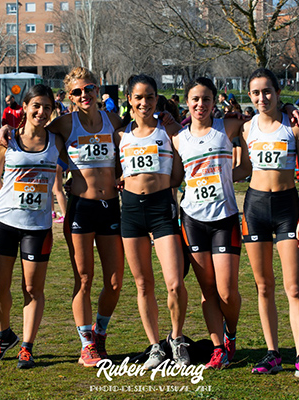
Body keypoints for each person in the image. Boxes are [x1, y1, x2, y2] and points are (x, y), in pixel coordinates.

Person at [242, 68, 299, 381]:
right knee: (263, 286)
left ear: (277, 92)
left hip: (288, 208)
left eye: (268, 92)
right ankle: (272, 353)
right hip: (255, 207)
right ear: (250, 96)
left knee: (293, 287)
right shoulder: (246, 127)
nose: (263, 98)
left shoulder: (294, 126)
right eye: (256, 93)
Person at [173, 77, 251, 370]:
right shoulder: (178, 138)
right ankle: (218, 347)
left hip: (225, 218)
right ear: (187, 102)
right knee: (207, 290)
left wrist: (228, 179)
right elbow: (176, 179)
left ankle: (231, 333)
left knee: (227, 290)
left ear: (214, 102)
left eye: (206, 99)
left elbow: (247, 160)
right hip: (193, 219)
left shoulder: (227, 127)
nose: (200, 105)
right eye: (195, 99)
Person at [48, 67, 124, 367]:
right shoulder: (64, 124)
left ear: (97, 88)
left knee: (115, 280)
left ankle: (100, 333)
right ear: (70, 97)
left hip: (111, 207)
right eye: (77, 92)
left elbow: (133, 143)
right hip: (81, 208)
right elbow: (34, 132)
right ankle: (86, 344)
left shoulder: (113, 120)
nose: (84, 95)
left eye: (89, 88)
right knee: (83, 278)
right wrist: (5, 131)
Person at [0, 84, 62, 370]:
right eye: (36, 106)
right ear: (26, 107)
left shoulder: (57, 140)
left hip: (37, 228)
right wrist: (9, 205)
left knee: (32, 288)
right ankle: (4, 335)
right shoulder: (7, 139)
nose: (41, 112)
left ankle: (27, 346)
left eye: (47, 107)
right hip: (3, 222)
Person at [115, 74, 189, 370]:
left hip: (161, 209)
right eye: (139, 97)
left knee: (174, 283)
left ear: (157, 99)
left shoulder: (169, 129)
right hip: (131, 211)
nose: (144, 102)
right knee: (143, 284)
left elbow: (181, 169)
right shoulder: (120, 135)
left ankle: (178, 338)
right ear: (130, 100)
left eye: (150, 97)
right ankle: (156, 346)